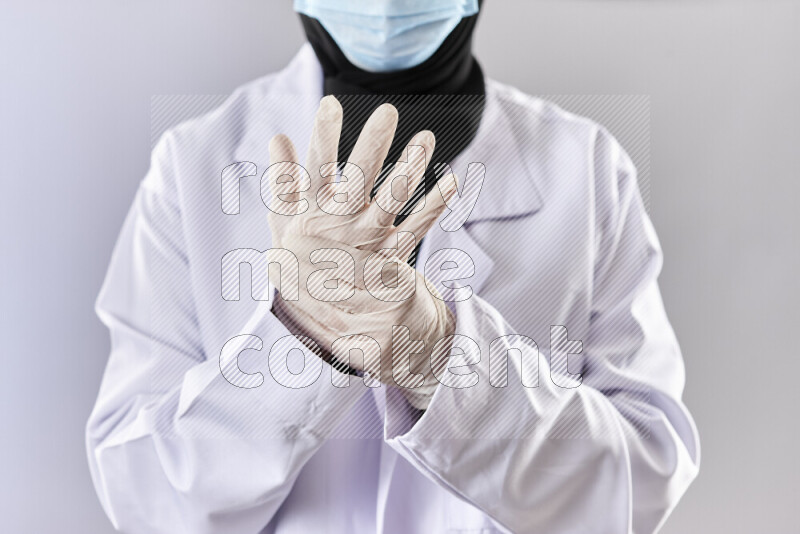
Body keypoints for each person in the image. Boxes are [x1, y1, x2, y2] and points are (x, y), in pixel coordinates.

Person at [86, 1, 700, 532]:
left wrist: (439, 359)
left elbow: (639, 487)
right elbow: (146, 500)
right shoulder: (195, 165)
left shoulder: (585, 168)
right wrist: (301, 332)